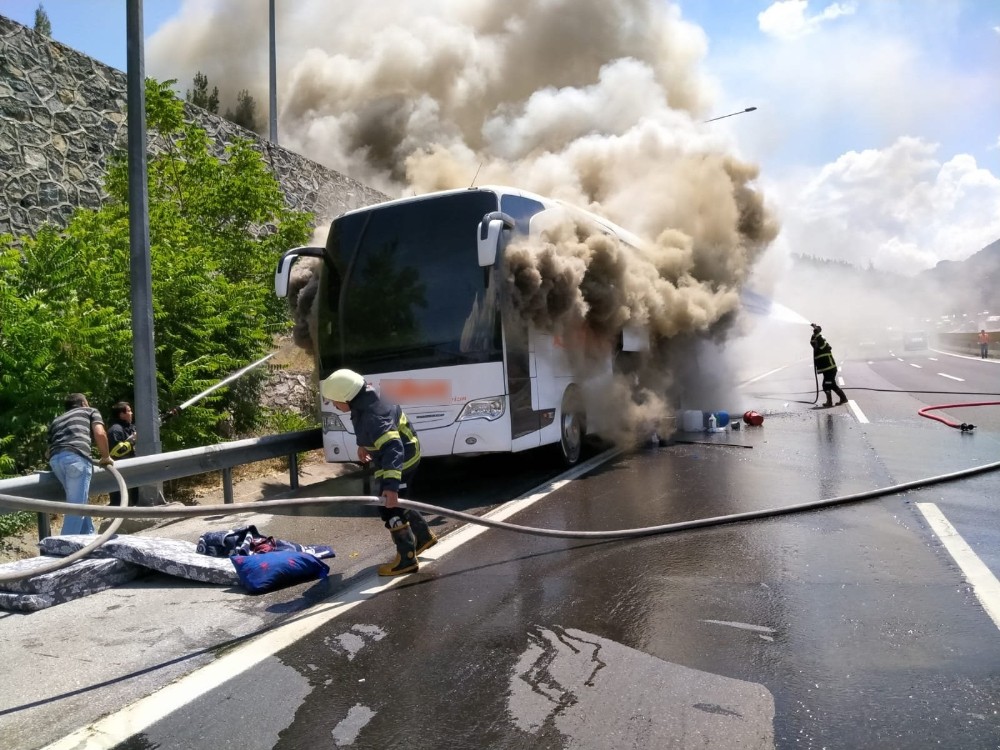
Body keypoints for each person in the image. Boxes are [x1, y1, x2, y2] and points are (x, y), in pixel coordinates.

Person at [320, 369, 436, 576]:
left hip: (401, 459)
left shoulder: (374, 415)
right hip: (394, 456)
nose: (334, 406)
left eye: (334, 401)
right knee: (400, 501)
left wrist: (391, 487)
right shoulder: (365, 399)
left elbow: (393, 447)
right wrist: (364, 445)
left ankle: (407, 558)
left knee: (389, 507)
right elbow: (365, 426)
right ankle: (424, 537)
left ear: (346, 397)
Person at [46, 393, 114, 535]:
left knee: (79, 502)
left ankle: (89, 540)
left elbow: (47, 452)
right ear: (83, 403)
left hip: (56, 461)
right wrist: (106, 457)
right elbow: (100, 433)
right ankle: (63, 548)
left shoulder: (57, 420)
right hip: (76, 458)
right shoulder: (90, 411)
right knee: (77, 509)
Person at [107, 401, 138, 507]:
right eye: (129, 411)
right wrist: (131, 441)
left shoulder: (131, 427)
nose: (131, 413)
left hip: (132, 469)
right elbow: (116, 452)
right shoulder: (115, 430)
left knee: (135, 499)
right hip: (119, 470)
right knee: (118, 501)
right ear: (122, 414)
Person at [810, 324, 848, 408]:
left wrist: (817, 333)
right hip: (826, 369)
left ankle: (830, 402)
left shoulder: (823, 343)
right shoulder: (817, 343)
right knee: (832, 384)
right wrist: (814, 333)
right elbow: (812, 342)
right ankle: (842, 398)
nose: (814, 344)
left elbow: (820, 341)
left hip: (830, 368)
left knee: (826, 384)